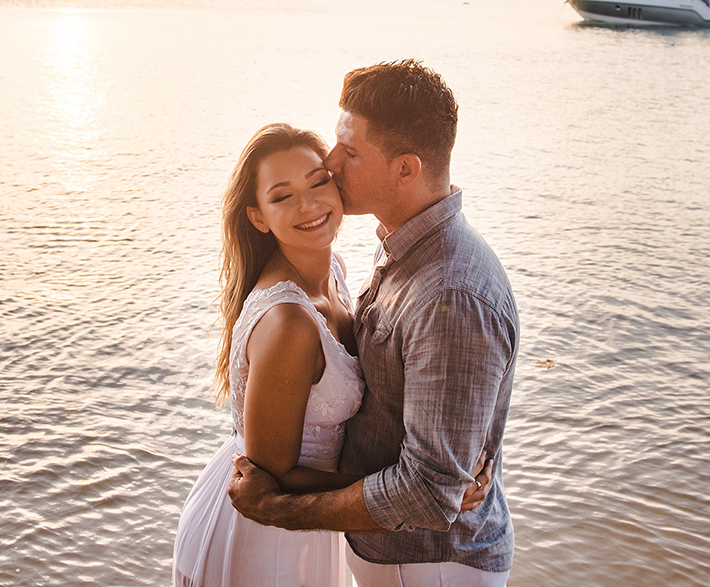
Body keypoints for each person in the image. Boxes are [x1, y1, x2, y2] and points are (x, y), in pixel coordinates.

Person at [228, 60, 520, 586]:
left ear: (406, 169)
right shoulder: (401, 253)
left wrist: (276, 508)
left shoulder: (449, 294)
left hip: (429, 566)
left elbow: (431, 492)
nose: (331, 164)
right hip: (395, 558)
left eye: (351, 152)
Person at [172, 122, 489, 587]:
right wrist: (423, 493)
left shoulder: (334, 274)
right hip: (264, 534)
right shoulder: (288, 323)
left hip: (312, 523)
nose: (310, 205)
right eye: (282, 196)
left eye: (318, 181)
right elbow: (271, 477)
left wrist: (437, 468)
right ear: (258, 217)